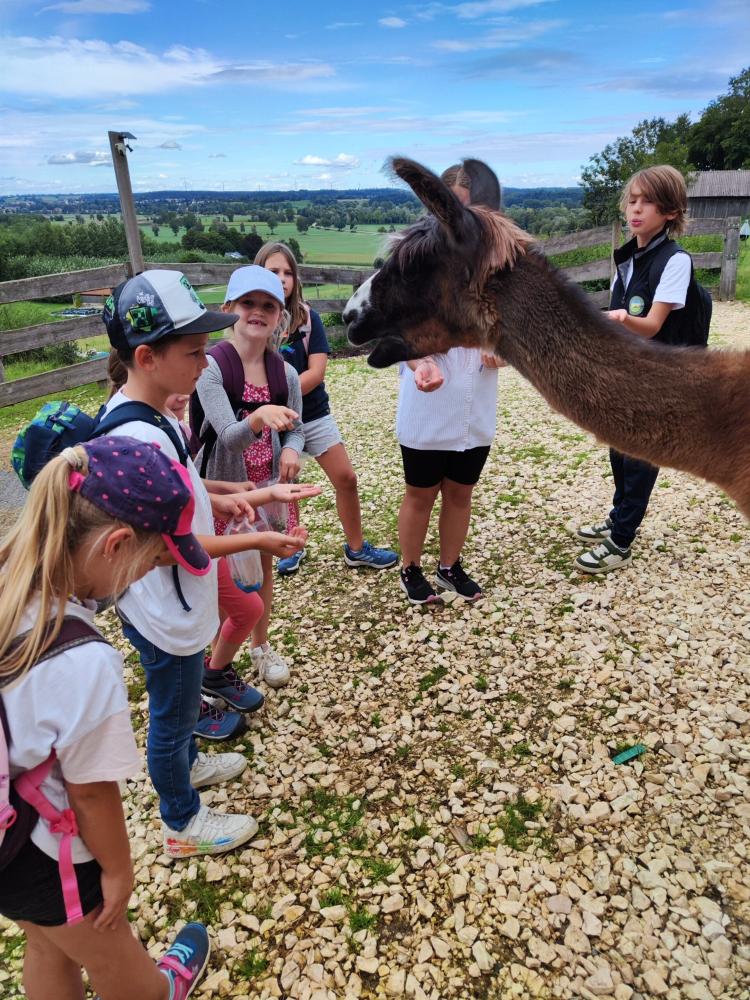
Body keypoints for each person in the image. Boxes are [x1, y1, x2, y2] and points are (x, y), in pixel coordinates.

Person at [101, 269, 306, 857]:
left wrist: (258, 496)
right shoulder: (138, 438)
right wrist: (258, 541)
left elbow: (186, 491)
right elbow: (166, 545)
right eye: (193, 351)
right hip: (164, 609)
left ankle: (188, 766)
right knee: (170, 715)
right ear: (147, 356)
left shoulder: (158, 417)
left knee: (186, 697)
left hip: (180, 604)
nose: (204, 361)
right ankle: (181, 823)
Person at [0, 436, 212, 1000]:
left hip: (4, 839)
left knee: (46, 943)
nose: (146, 574)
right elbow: (91, 793)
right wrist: (117, 871)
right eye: (153, 560)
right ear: (116, 546)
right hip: (42, 852)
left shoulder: (7, 584)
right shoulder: (81, 657)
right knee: (110, 949)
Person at [575, 165, 696, 574]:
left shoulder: (675, 261)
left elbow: (653, 324)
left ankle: (622, 540)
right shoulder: (627, 257)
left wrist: (621, 319)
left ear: (670, 212)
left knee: (641, 455)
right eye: (632, 200)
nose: (637, 209)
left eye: (648, 202)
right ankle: (617, 515)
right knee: (618, 449)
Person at [195, 265, 310, 687]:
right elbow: (227, 438)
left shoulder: (286, 373)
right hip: (227, 488)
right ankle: (219, 655)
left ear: (281, 314)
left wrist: (294, 449)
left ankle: (260, 646)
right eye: (248, 303)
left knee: (261, 568)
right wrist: (259, 418)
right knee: (223, 577)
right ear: (228, 308)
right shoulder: (211, 368)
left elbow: (297, 425)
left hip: (268, 487)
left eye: (268, 305)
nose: (257, 312)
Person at [255, 241, 397, 575]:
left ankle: (357, 548)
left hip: (313, 414)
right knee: (285, 488)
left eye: (288, 272)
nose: (282, 278)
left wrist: (280, 400)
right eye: (273, 271)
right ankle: (290, 546)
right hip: (273, 422)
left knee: (346, 478)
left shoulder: (308, 320)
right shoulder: (253, 322)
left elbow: (316, 373)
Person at [396, 166, 503, 605]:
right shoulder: (412, 263)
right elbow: (395, 334)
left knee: (461, 493)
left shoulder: (498, 266)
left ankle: (449, 567)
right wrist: (419, 362)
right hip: (428, 399)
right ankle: (411, 568)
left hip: (476, 399)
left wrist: (502, 347)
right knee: (420, 494)